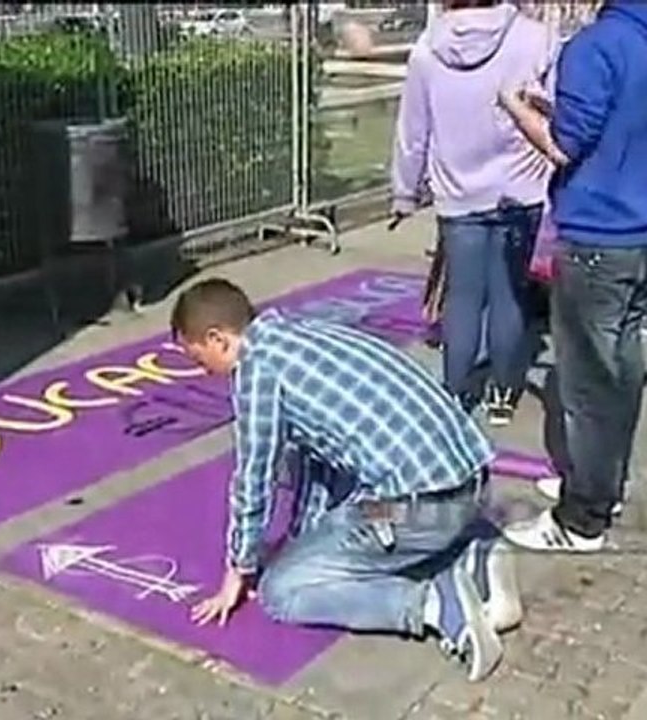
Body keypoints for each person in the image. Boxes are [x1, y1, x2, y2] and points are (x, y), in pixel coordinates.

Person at [171, 278, 521, 682]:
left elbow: (254, 477)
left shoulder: (256, 370)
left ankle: (437, 605)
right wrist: (304, 540)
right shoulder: (306, 332)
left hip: (417, 505)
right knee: (335, 536)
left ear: (218, 339)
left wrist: (240, 567)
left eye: (200, 360)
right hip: (471, 484)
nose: (205, 372)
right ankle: (470, 553)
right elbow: (320, 463)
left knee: (283, 591)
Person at [498, 0, 647, 552]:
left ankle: (581, 518)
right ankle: (603, 484)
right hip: (639, 234)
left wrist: (515, 106)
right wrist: (555, 108)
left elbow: (563, 145)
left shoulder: (596, 45)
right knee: (623, 373)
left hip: (598, 236)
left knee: (586, 382)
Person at [391, 0, 557, 426]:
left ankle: (455, 391)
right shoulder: (536, 37)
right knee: (508, 293)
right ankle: (503, 392)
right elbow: (556, 113)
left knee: (463, 297)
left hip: (457, 189)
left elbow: (413, 129)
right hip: (520, 187)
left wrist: (405, 191)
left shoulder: (429, 47)